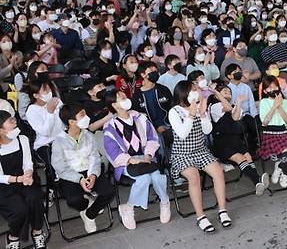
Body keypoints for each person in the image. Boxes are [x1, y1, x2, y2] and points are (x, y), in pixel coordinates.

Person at [168, 80, 231, 233]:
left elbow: (207, 130)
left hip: (200, 150)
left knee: (218, 173)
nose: (197, 93)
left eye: (197, 89)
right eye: (193, 90)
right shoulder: (174, 111)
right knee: (194, 177)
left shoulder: (199, 107)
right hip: (182, 154)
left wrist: (202, 114)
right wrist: (191, 112)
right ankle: (200, 217)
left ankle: (222, 211)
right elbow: (182, 134)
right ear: (183, 93)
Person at [102, 89, 170, 229]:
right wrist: (132, 160)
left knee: (157, 177)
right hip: (127, 162)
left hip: (146, 157)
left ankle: (165, 202)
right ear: (114, 105)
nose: (125, 98)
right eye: (121, 97)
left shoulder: (140, 117)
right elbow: (112, 151)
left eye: (125, 96)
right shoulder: (110, 127)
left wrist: (148, 155)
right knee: (144, 178)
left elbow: (152, 137)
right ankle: (129, 208)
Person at [51, 103, 115, 234]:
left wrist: (93, 175)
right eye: (82, 115)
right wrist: (79, 179)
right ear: (71, 122)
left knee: (108, 192)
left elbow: (95, 158)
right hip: (70, 174)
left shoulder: (88, 135)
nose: (86, 117)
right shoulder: (59, 141)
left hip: (90, 170)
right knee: (74, 200)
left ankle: (89, 215)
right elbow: (59, 167)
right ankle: (86, 205)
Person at [209, 85, 269, 196]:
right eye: (224, 90)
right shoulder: (215, 107)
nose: (227, 91)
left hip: (236, 139)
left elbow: (235, 117)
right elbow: (227, 108)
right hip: (223, 142)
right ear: (217, 96)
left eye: (229, 90)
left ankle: (257, 182)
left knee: (248, 156)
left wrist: (239, 102)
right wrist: (217, 93)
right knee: (240, 158)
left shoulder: (233, 106)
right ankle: (258, 180)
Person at [0, 110, 47, 249]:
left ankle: (37, 232)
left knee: (35, 198)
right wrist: (18, 179)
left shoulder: (23, 139)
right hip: (6, 185)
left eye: (13, 119)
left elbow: (28, 162)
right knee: (19, 210)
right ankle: (13, 237)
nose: (15, 122)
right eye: (10, 122)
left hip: (26, 179)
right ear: (1, 130)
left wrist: (28, 173)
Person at [258, 75, 287, 189]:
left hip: (283, 133)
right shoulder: (264, 102)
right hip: (270, 134)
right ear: (265, 90)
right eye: (270, 88)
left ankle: (279, 167)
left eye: (275, 87)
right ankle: (285, 173)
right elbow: (264, 122)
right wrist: (273, 107)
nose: (273, 90)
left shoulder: (285, 102)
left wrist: (279, 106)